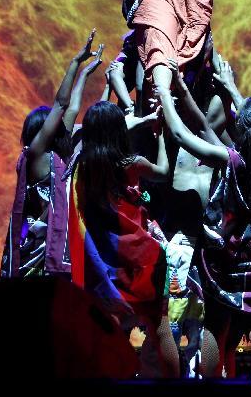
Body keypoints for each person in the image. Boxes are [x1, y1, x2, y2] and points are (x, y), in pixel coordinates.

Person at [156, 86, 251, 378]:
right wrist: (186, 90)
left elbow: (181, 135)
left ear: (244, 129)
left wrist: (165, 96)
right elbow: (203, 125)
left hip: (231, 260)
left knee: (216, 324)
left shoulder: (233, 161)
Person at [67, 101, 180, 377]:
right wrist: (161, 133)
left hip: (109, 264)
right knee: (159, 326)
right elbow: (164, 171)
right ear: (119, 130)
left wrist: (143, 120)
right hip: (147, 258)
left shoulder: (84, 169)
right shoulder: (133, 164)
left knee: (109, 329)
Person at [0, 30, 103, 278]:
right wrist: (75, 63)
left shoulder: (56, 156)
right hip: (37, 252)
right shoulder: (35, 156)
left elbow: (72, 108)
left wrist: (85, 75)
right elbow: (62, 105)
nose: (60, 126)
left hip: (58, 251)